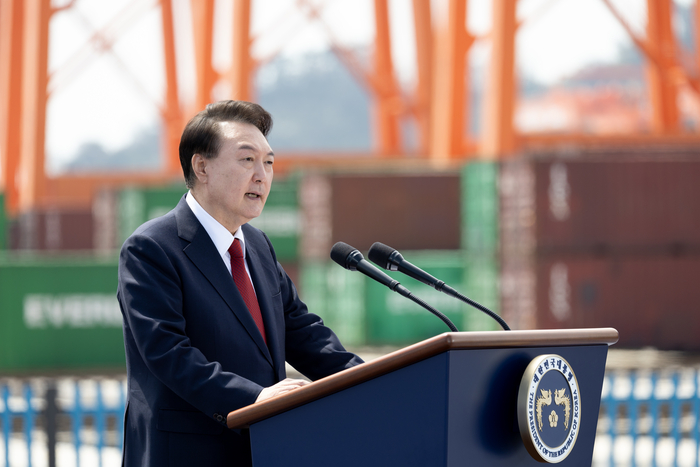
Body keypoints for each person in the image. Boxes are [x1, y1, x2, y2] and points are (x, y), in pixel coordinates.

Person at [117, 100, 363, 466]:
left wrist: (372, 379)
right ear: (201, 167)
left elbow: (303, 333)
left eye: (269, 162)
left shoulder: (258, 246)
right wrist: (254, 399)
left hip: (263, 449)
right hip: (187, 454)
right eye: (247, 160)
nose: (262, 175)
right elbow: (168, 353)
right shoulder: (152, 248)